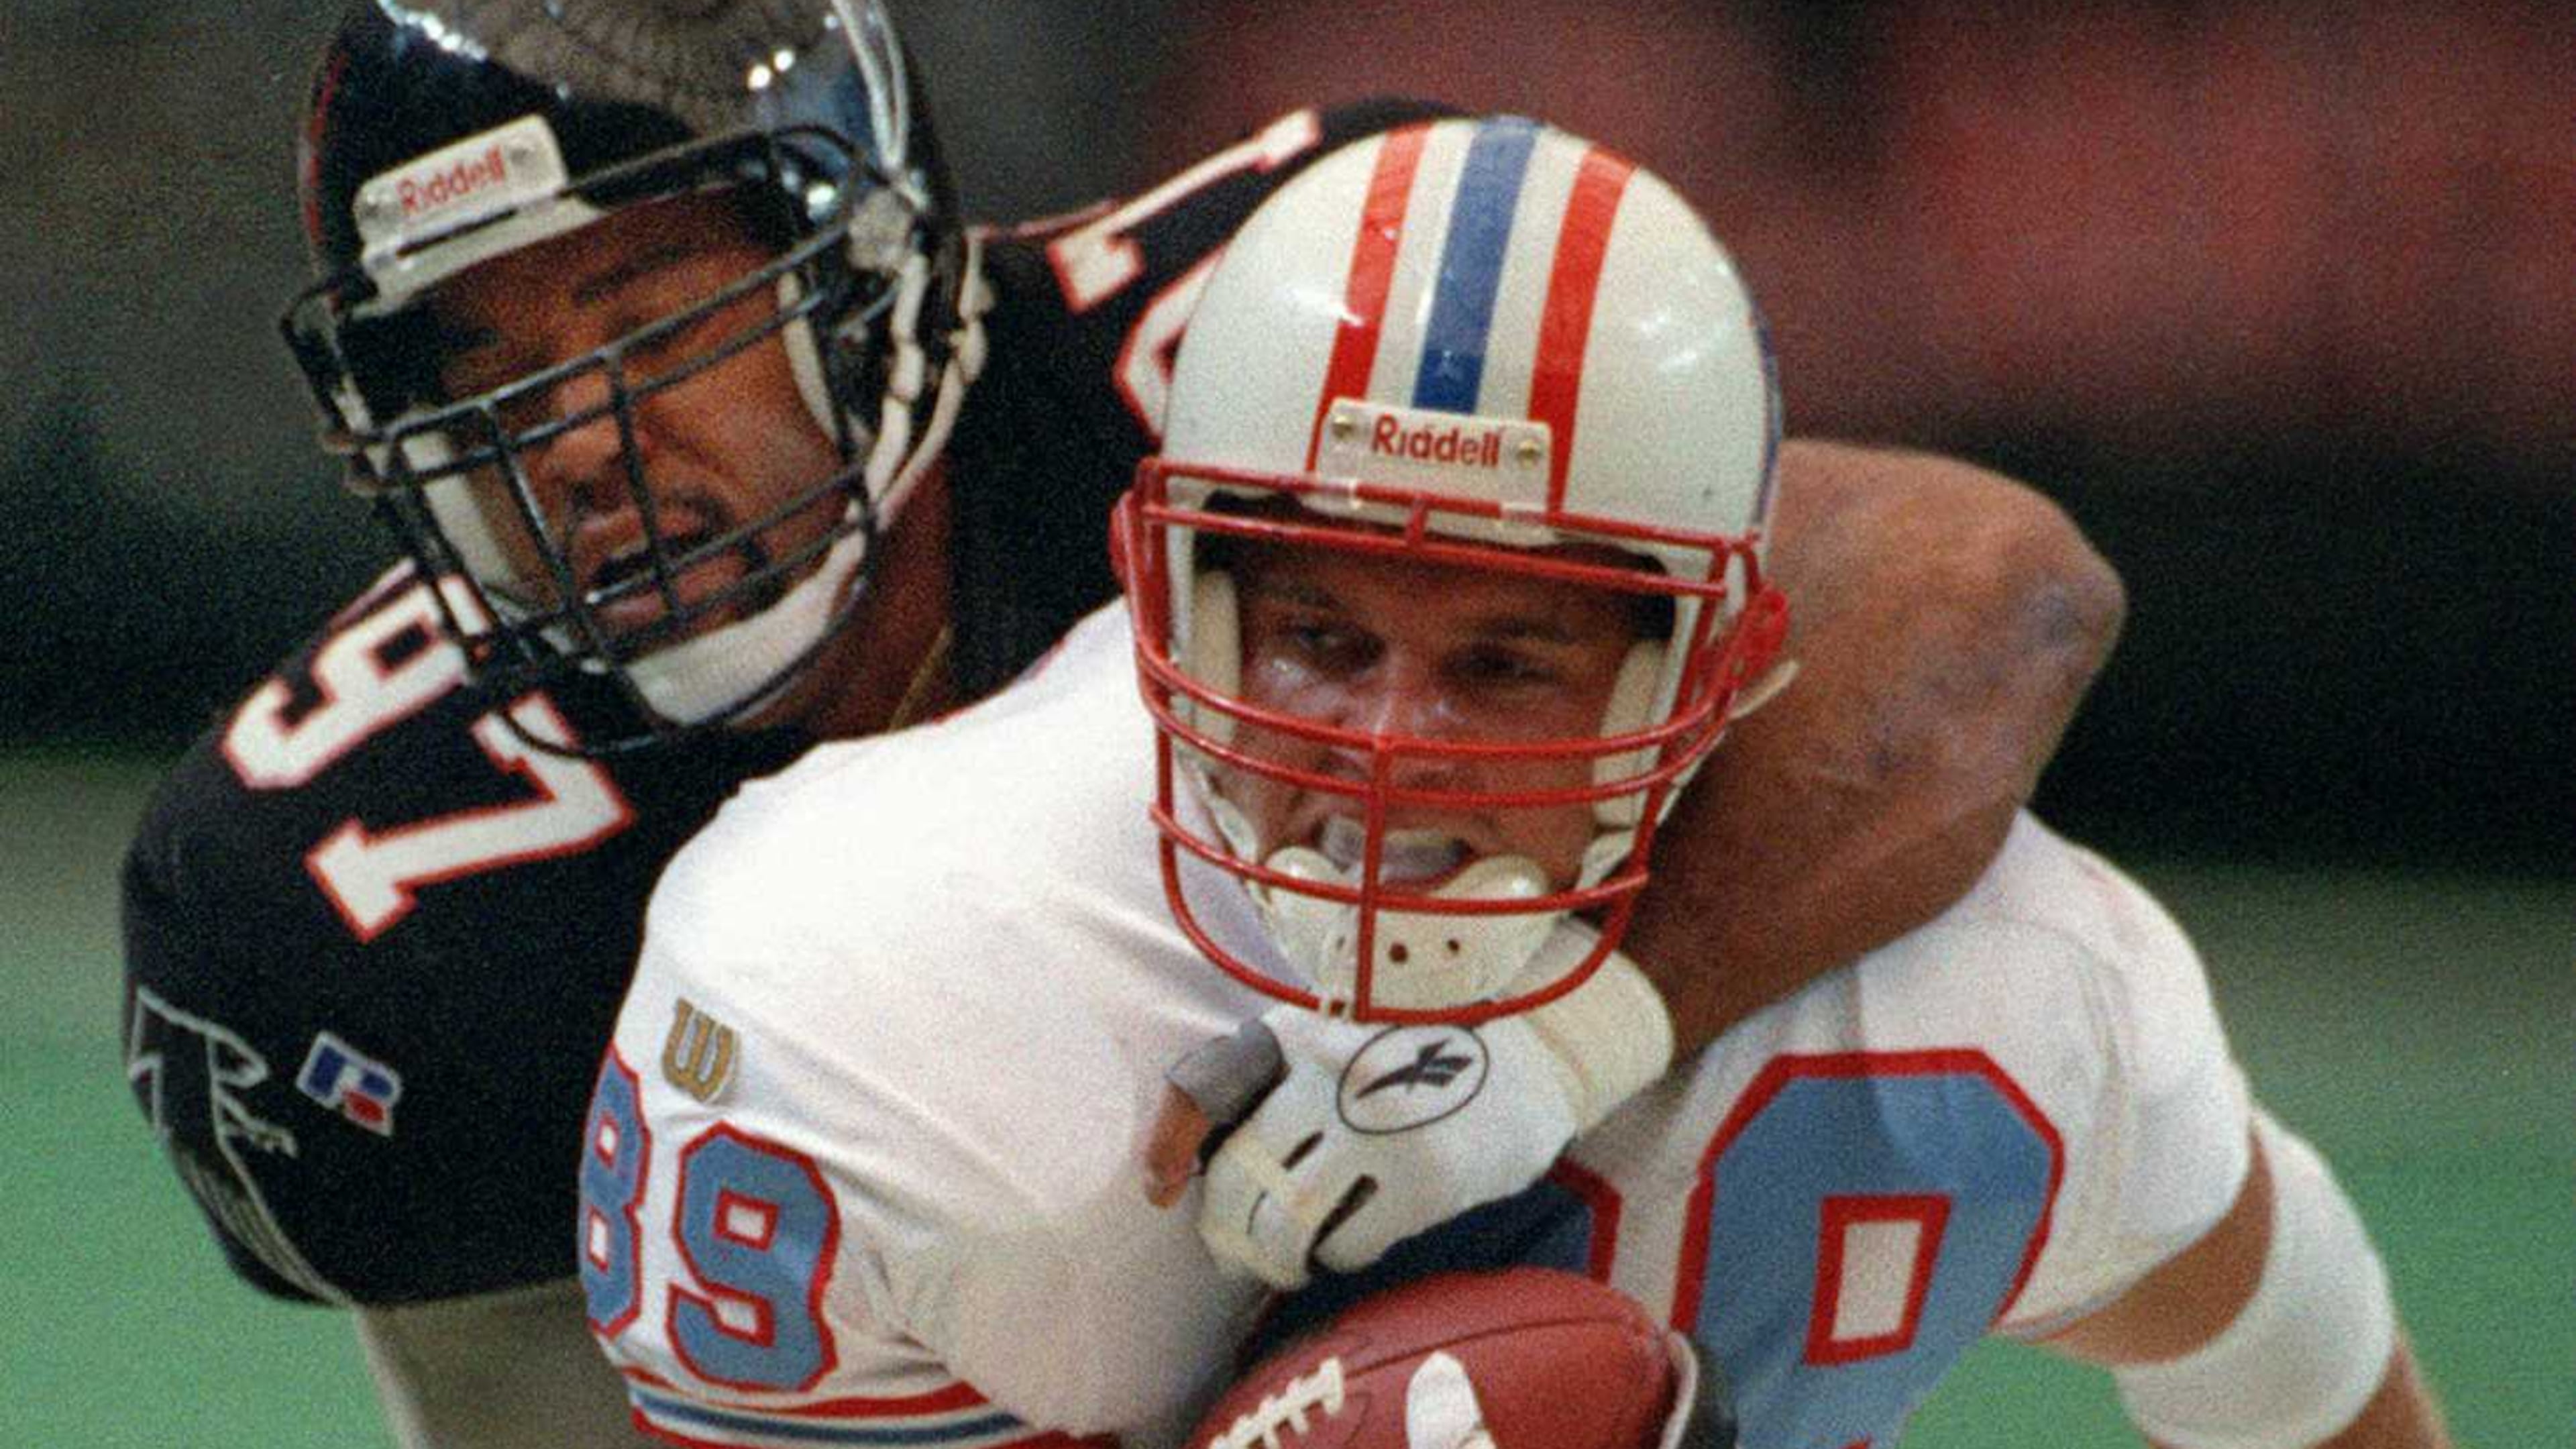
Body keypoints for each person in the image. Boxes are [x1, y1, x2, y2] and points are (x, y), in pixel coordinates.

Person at [119, 3, 2114, 1446]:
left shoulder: (1270, 337)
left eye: (655, 313)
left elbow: (1983, 589)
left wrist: (1547, 1049)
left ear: (872, 264)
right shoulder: (343, 903)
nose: (582, 443)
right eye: (487, 370)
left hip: (1551, 1236)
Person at [594, 115, 2449, 1449]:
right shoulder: (852, 1002)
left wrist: (1564, 1057)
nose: (1391, 750)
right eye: (1320, 637)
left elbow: (2292, 1363)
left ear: (1710, 675)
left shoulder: (2011, 999)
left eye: (1504, 661)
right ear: (1174, 599)